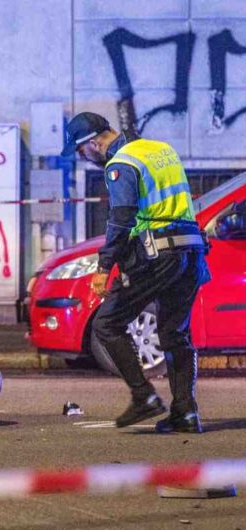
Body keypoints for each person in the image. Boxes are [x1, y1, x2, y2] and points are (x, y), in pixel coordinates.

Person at [62, 112, 211, 433]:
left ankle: (144, 396)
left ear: (94, 142)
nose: (83, 158)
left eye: (81, 151)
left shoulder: (121, 163)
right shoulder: (161, 150)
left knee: (107, 323)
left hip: (157, 255)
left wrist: (104, 267)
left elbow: (121, 219)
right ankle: (186, 413)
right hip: (191, 252)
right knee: (175, 334)